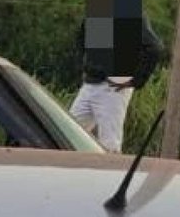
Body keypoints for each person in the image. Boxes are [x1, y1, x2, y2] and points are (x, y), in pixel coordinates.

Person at [69, 12, 164, 151]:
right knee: (69, 133)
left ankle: (110, 172)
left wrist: (135, 80)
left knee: (109, 144)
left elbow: (154, 48)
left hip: (113, 89)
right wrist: (84, 66)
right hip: (90, 84)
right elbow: (81, 39)